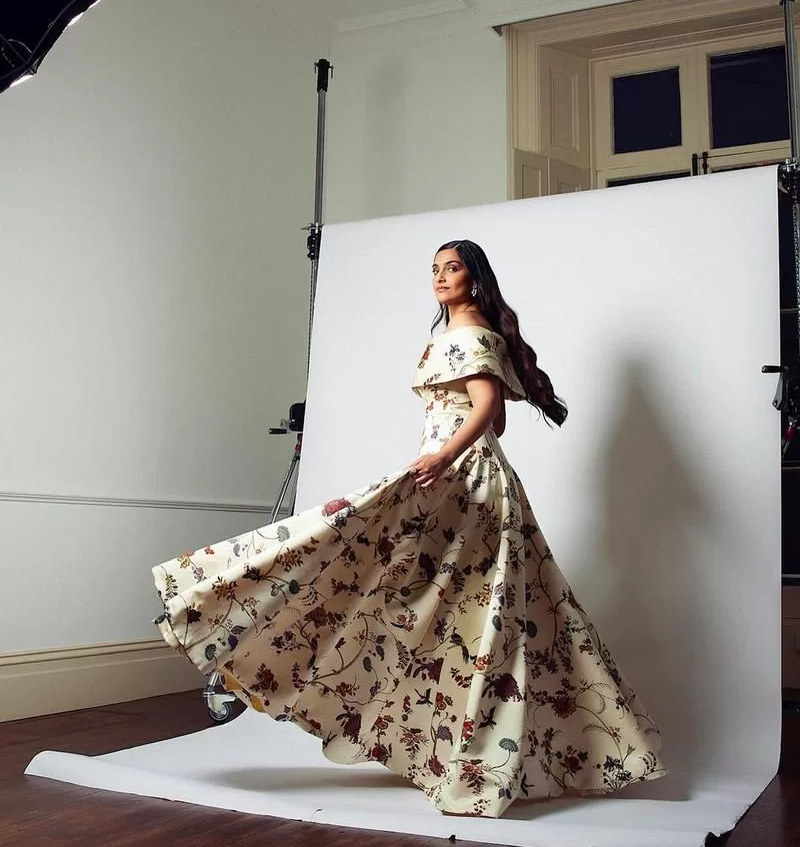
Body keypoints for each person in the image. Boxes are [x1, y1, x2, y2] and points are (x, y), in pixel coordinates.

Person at [153, 239, 665, 817]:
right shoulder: (464, 334)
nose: (440, 278)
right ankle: (467, 749)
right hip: (462, 474)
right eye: (435, 269)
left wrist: (444, 454)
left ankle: (467, 751)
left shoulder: (469, 334)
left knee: (420, 583)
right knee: (457, 602)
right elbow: (496, 421)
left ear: (475, 280)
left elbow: (486, 409)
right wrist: (445, 447)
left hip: (463, 477)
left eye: (453, 269)